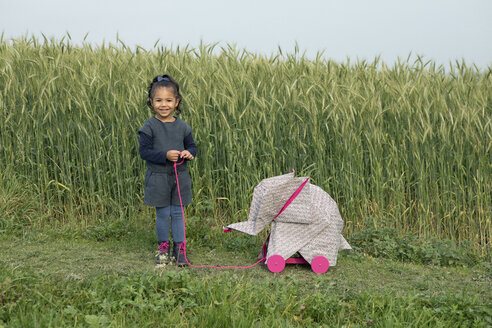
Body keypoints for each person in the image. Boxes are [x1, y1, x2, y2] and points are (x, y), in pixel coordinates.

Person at [138, 74, 197, 266]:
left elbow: (193, 147)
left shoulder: (183, 126)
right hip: (158, 178)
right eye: (159, 100)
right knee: (163, 214)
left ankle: (180, 249)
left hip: (180, 177)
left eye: (169, 100)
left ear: (177, 102)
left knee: (178, 213)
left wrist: (189, 153)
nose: (164, 104)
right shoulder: (149, 126)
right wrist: (164, 155)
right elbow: (144, 152)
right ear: (151, 102)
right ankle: (163, 247)